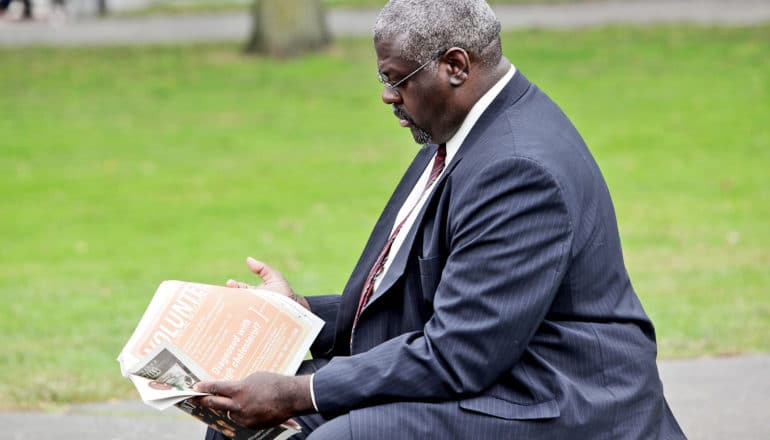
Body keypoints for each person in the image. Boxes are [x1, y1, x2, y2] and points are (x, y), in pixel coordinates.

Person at [195, 0, 686, 438]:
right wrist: (297, 313)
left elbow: (457, 354)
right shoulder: (460, 131)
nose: (388, 96)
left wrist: (297, 392)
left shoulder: (518, 168)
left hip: (557, 396)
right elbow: (418, 298)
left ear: (455, 66)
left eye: (396, 78)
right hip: (494, 365)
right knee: (236, 430)